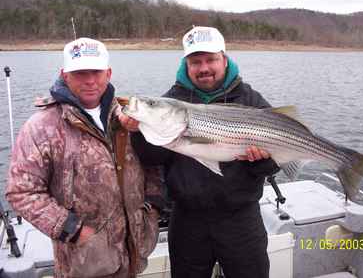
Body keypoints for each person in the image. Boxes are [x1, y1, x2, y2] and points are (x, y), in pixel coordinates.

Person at [121, 26, 280, 278]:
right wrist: (138, 132)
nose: (204, 67)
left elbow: (274, 166)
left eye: (211, 59)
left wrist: (260, 161)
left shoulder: (250, 99)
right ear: (186, 64)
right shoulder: (170, 102)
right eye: (196, 61)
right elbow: (152, 158)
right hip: (187, 220)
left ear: (224, 59)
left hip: (241, 217)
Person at [6, 37, 164, 278]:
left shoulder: (131, 117)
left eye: (96, 72)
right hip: (82, 264)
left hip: (133, 254)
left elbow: (151, 165)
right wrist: (73, 230)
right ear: (64, 74)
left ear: (108, 73)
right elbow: (21, 192)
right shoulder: (41, 127)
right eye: (80, 73)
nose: (90, 80)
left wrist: (152, 208)